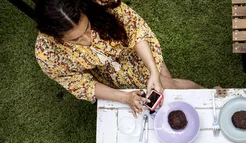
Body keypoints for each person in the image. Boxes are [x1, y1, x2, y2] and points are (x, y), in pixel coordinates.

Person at [35, 0, 202, 117]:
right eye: (75, 40)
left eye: (88, 28)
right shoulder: (47, 53)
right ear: (55, 37)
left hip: (136, 55)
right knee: (139, 108)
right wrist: (124, 97)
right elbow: (82, 84)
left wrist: (153, 71)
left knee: (168, 85)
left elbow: (135, 32)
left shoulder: (102, 3)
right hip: (107, 76)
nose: (87, 40)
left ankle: (211, 93)